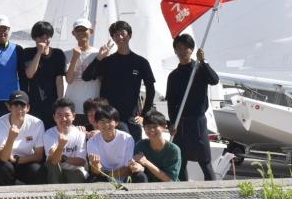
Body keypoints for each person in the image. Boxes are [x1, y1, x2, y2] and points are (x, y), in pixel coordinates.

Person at [82, 20, 156, 142]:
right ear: (113, 38)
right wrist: (99, 58)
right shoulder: (107, 61)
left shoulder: (141, 62)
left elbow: (150, 89)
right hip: (108, 116)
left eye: (123, 33)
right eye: (116, 35)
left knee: (133, 151)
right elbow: (86, 76)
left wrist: (144, 115)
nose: (120, 37)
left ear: (130, 35)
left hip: (131, 117)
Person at [166, 33, 219, 181]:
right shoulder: (173, 76)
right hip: (180, 124)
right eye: (179, 48)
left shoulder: (200, 69)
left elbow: (214, 80)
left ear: (191, 49)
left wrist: (203, 61)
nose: (182, 52)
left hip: (197, 122)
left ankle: (213, 193)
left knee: (205, 161)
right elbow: (171, 102)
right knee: (181, 161)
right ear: (175, 51)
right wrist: (172, 123)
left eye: (186, 48)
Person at [0, 90, 45, 185]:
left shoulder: (37, 124)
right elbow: (3, 157)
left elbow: (39, 156)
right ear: (8, 107)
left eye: (23, 106)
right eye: (15, 105)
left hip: (26, 159)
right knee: (3, 167)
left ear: (28, 108)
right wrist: (11, 138)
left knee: (37, 170)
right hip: (6, 160)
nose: (19, 110)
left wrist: (17, 160)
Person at [86, 105, 147, 183]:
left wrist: (110, 175)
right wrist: (95, 164)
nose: (106, 125)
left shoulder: (127, 139)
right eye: (102, 121)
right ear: (97, 123)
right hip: (103, 176)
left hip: (123, 176)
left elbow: (128, 168)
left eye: (109, 121)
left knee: (140, 177)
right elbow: (96, 170)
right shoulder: (92, 142)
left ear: (116, 122)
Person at [22, 21, 66, 128]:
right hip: (33, 102)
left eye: (48, 36)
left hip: (52, 102)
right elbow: (29, 74)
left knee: (52, 131)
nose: (44, 39)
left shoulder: (58, 54)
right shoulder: (27, 52)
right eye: (41, 36)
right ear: (34, 38)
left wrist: (60, 101)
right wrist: (39, 53)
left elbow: (59, 79)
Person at [64, 18, 100, 127]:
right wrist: (75, 58)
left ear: (91, 31)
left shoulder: (99, 53)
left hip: (92, 107)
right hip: (72, 106)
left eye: (84, 29)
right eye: (78, 30)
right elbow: (69, 80)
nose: (81, 33)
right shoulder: (67, 54)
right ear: (73, 33)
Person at [44, 98, 88, 184]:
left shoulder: (80, 134)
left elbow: (81, 161)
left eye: (67, 115)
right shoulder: (49, 134)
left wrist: (64, 158)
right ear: (54, 117)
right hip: (56, 171)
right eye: (59, 115)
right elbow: (53, 160)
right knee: (52, 164)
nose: (63, 119)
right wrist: (61, 146)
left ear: (73, 116)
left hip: (75, 171)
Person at [133, 110, 181, 182]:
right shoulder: (141, 145)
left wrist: (146, 162)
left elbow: (170, 180)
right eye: (148, 127)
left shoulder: (174, 150)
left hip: (169, 189)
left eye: (155, 126)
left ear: (164, 127)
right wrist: (136, 167)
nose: (151, 130)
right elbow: (136, 166)